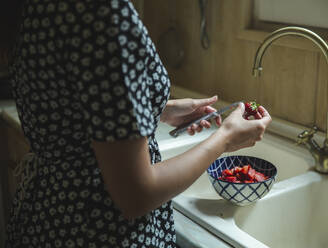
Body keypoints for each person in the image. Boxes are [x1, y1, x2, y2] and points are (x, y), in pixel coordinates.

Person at [2, 0, 271, 247]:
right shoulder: (104, 10)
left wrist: (154, 111)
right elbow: (136, 194)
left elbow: (73, 110)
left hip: (49, 216)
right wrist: (224, 138)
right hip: (98, 230)